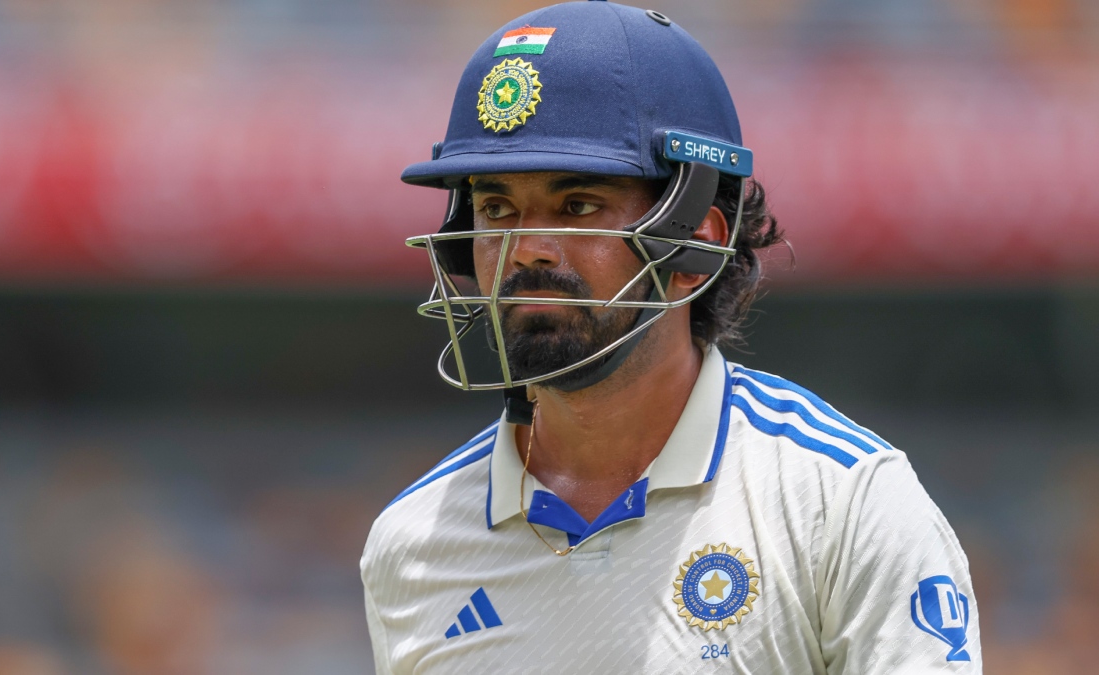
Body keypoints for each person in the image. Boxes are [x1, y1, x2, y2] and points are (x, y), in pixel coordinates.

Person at [360, 1, 981, 672]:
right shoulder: (411, 547)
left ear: (694, 243)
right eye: (496, 207)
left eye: (578, 206)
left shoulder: (841, 501)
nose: (527, 247)